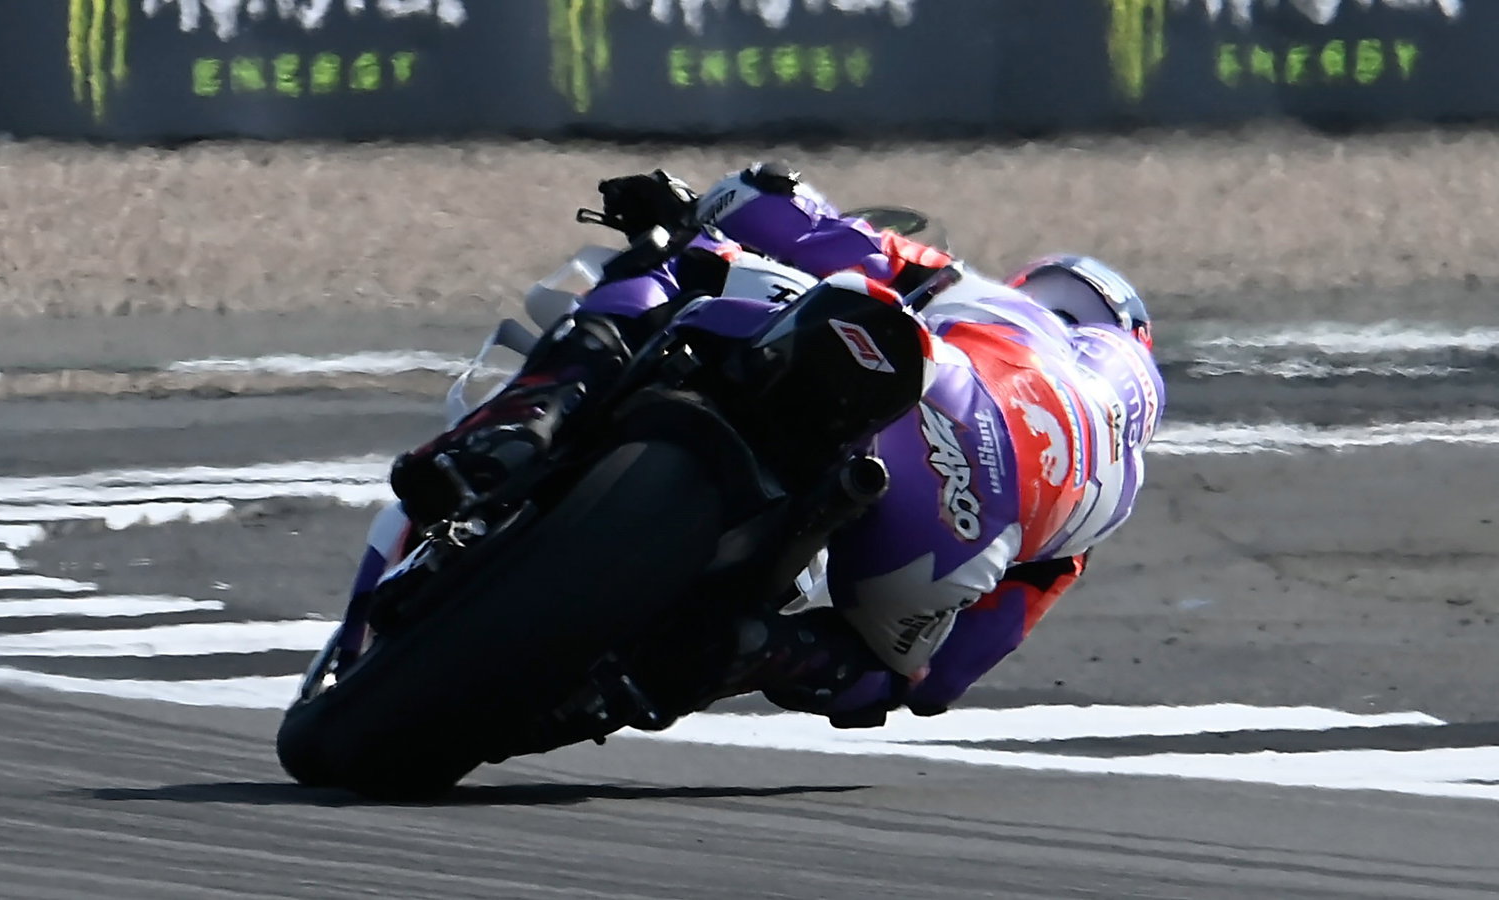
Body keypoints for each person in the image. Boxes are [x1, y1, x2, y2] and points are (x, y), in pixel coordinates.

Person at [350, 162, 1165, 728]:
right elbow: (940, 683)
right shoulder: (1099, 496)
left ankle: (527, 424)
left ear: (1045, 294)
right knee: (878, 670)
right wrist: (819, 669)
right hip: (964, 538)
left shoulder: (975, 296)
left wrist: (685, 209)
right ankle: (741, 653)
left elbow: (784, 211)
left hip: (933, 390)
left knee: (674, 272)